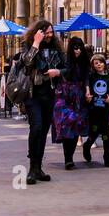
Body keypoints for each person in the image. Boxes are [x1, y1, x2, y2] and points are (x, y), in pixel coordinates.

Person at [19, 20, 64, 184]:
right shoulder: (29, 45)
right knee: (36, 127)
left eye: (52, 32)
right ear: (38, 33)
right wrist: (36, 43)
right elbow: (27, 63)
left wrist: (58, 71)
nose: (50, 35)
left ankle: (38, 168)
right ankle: (32, 168)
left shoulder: (57, 48)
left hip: (49, 95)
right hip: (33, 94)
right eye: (47, 33)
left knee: (44, 130)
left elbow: (67, 67)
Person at [52, 37, 90, 170]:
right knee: (66, 124)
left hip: (79, 97)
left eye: (80, 48)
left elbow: (86, 78)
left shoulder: (84, 61)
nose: (78, 50)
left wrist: (87, 90)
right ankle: (67, 158)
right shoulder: (65, 60)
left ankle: (70, 158)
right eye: (75, 48)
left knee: (76, 127)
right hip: (64, 95)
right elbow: (65, 73)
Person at [82, 52, 109, 168]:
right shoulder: (91, 77)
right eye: (96, 63)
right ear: (93, 65)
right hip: (94, 109)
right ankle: (87, 145)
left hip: (105, 110)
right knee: (94, 131)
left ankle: (107, 156)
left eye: (100, 62)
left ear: (104, 63)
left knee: (106, 133)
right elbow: (86, 87)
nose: (99, 65)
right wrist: (87, 97)